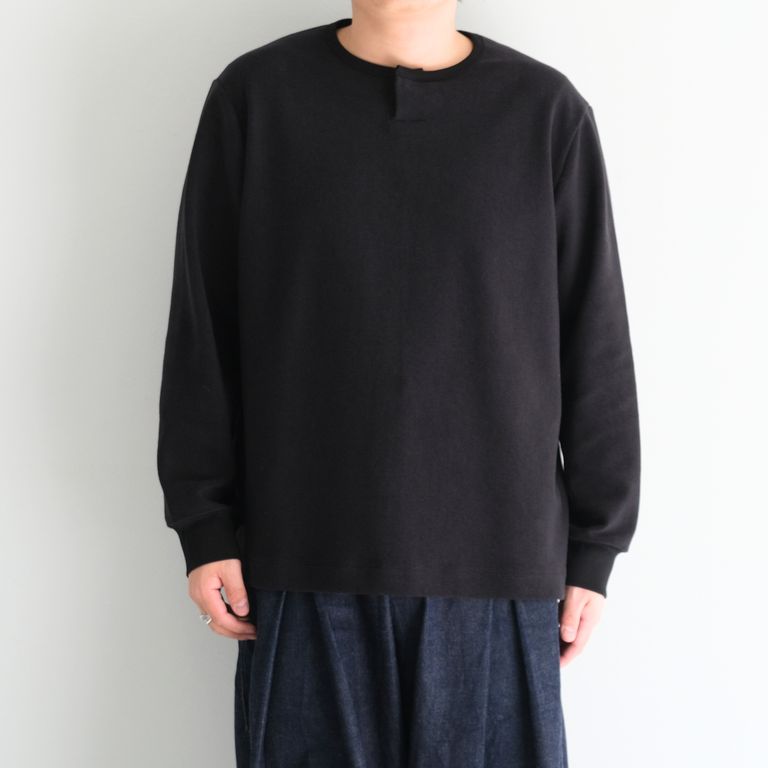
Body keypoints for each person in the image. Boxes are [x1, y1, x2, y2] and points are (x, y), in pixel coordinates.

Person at [157, 2, 641, 766]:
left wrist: (595, 547)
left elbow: (595, 338)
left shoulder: (544, 112)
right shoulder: (256, 99)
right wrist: (204, 524)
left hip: (497, 566)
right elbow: (204, 327)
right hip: (304, 556)